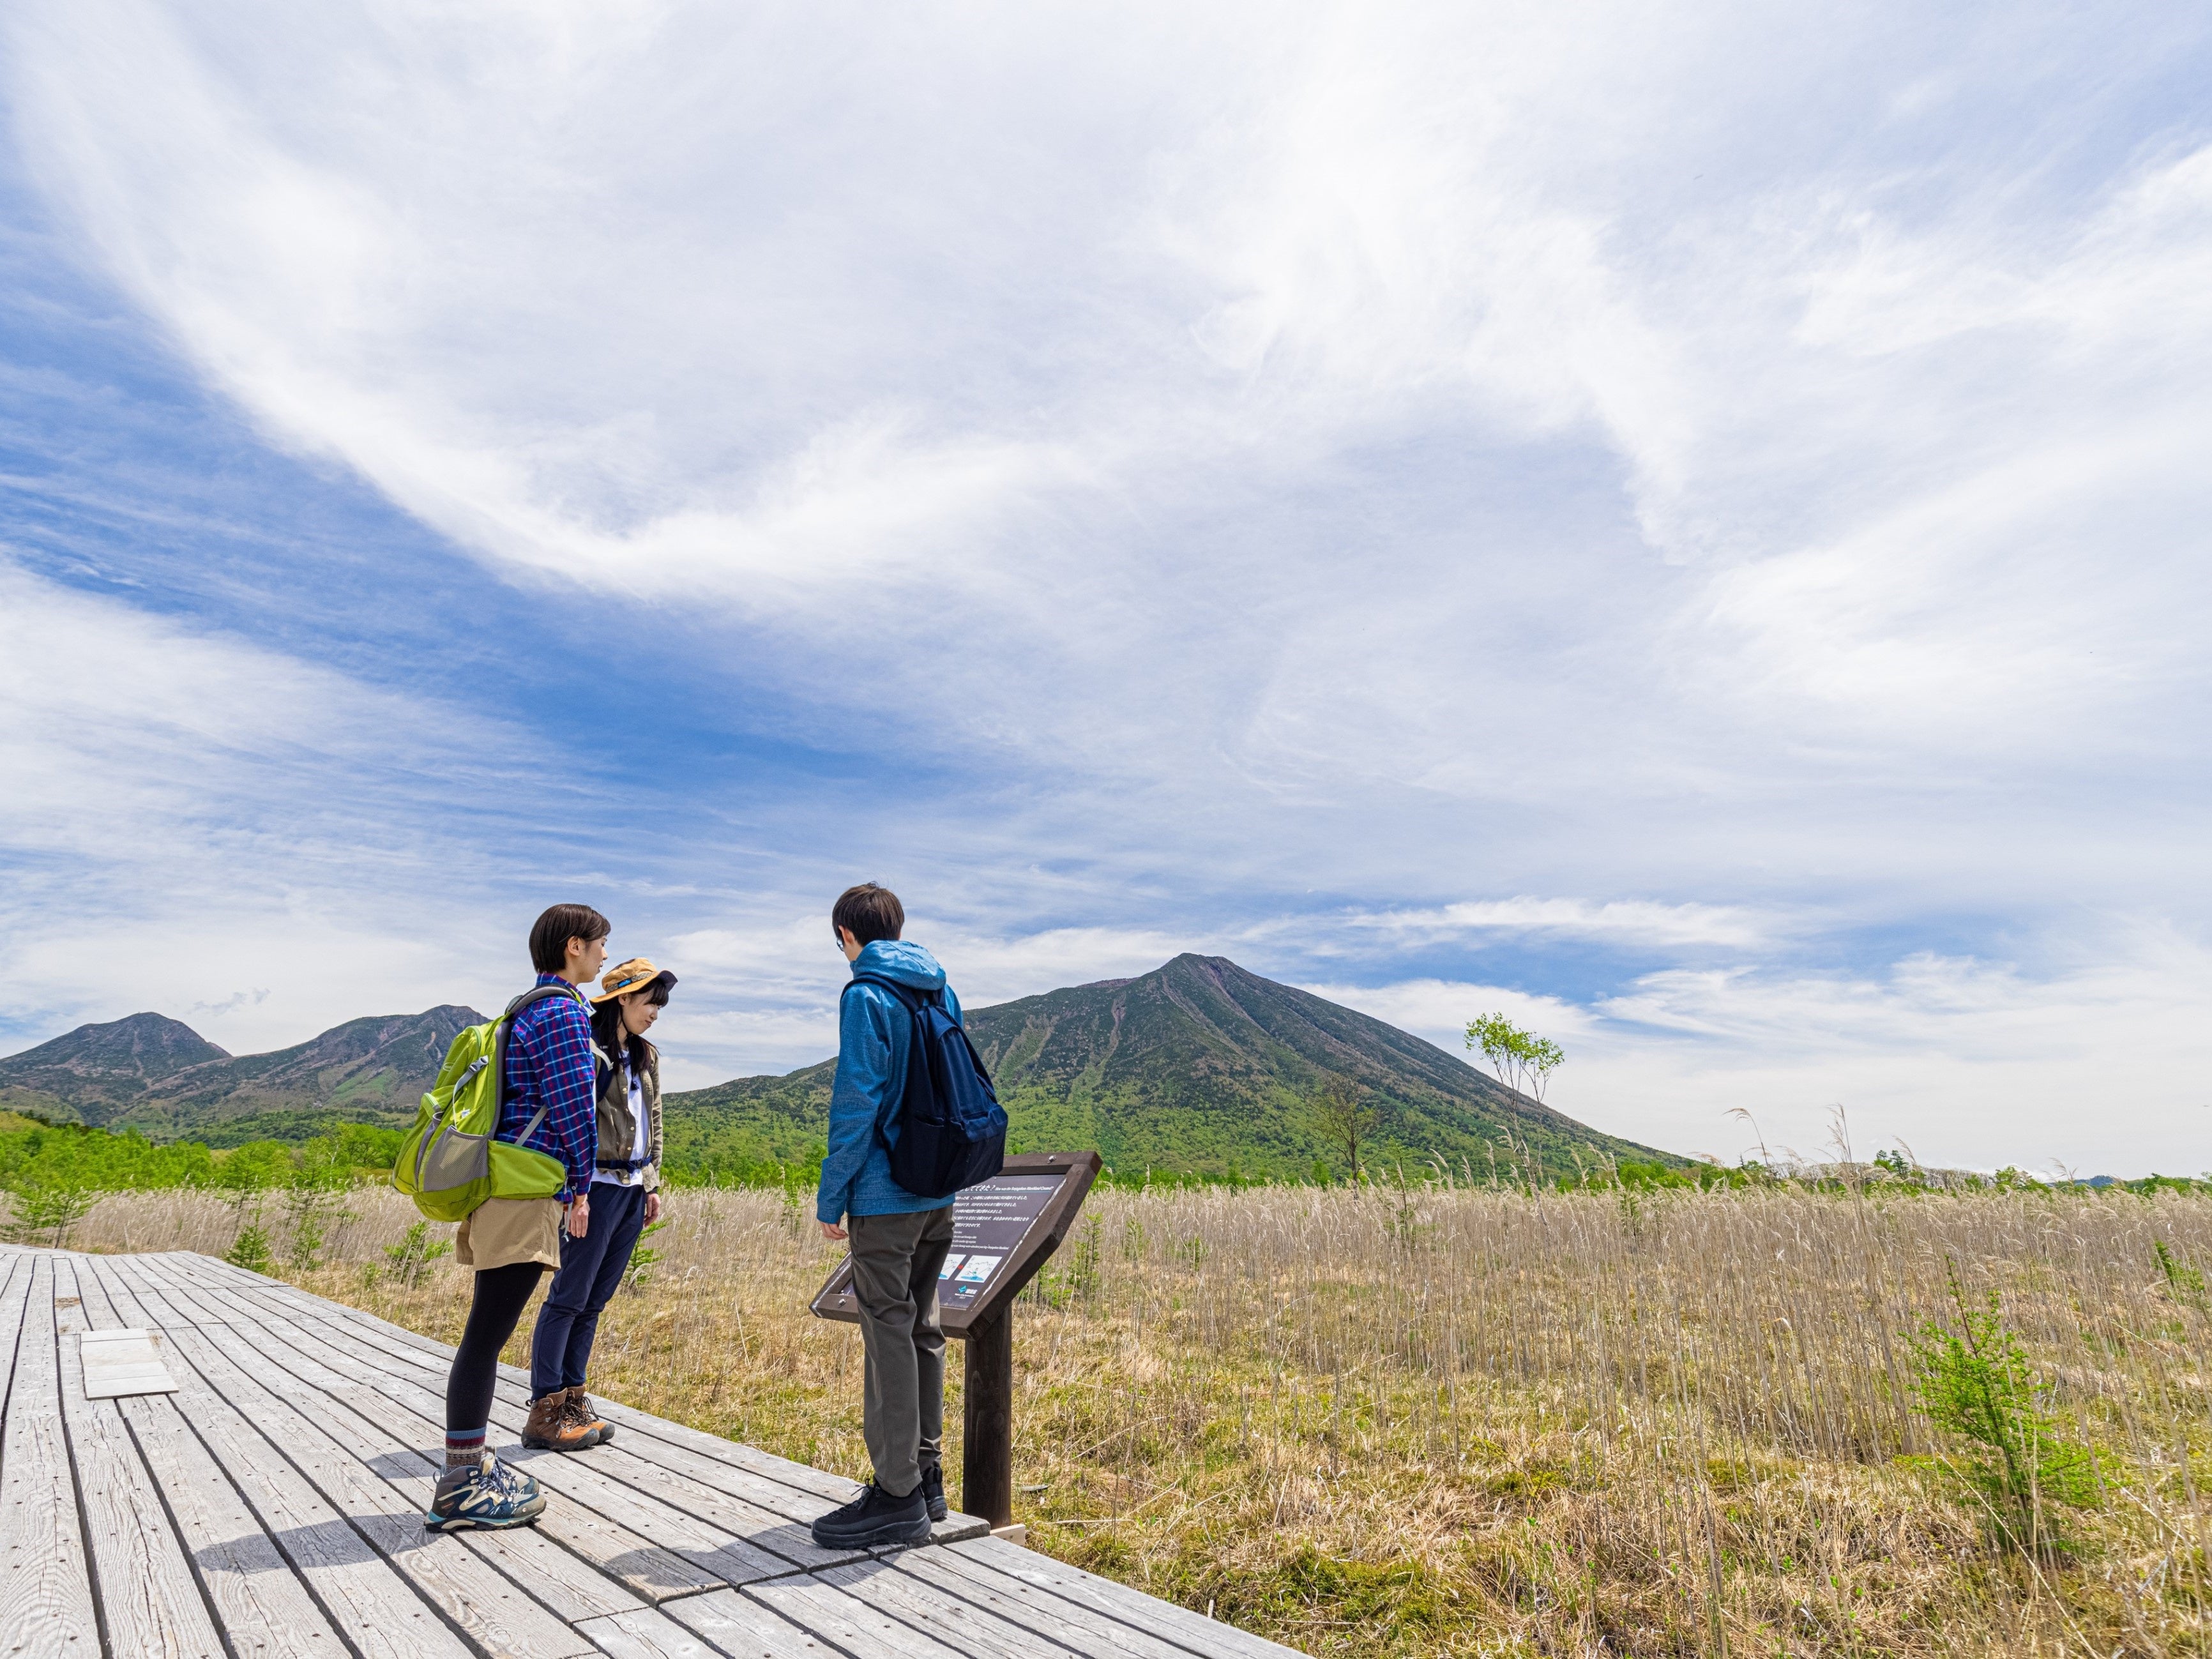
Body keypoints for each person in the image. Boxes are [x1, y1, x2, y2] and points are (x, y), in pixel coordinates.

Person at [425, 902, 607, 1531]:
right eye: (600, 946)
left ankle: (467, 1471)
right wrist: (581, 1186)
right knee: (485, 1335)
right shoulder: (560, 1014)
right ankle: (461, 1485)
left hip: (503, 1183)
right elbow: (573, 1109)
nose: (604, 957)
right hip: (523, 1189)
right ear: (574, 947)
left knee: (485, 1331)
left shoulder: (524, 1010)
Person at [809, 883, 960, 1549]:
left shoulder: (863, 994)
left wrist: (831, 1195)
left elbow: (856, 1101)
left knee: (887, 1334)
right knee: (924, 1328)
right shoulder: (939, 990)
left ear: (846, 936)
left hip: (883, 1194)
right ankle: (927, 1479)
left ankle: (895, 1493)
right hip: (938, 1189)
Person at [524, 956, 676, 1451]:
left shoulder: (647, 1056)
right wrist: (575, 1193)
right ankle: (545, 1410)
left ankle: (572, 1401)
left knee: (593, 1303)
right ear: (623, 999)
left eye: (660, 1005)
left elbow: (653, 1121)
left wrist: (650, 1185)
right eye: (650, 1002)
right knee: (568, 1298)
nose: (655, 1013)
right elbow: (572, 1120)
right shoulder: (587, 1049)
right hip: (593, 1189)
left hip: (631, 1192)